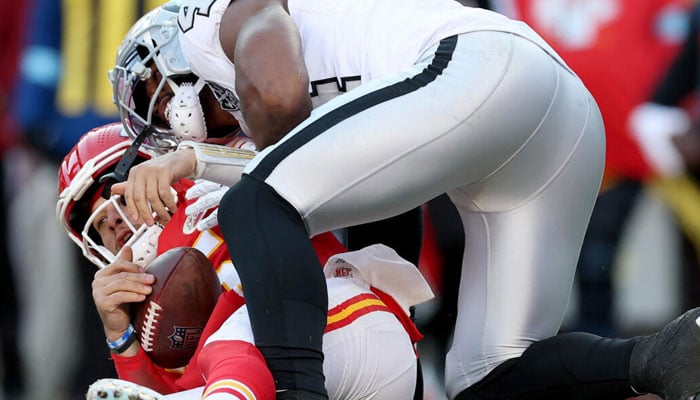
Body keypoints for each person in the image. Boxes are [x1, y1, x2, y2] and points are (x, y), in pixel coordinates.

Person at [110, 1, 700, 399]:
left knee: (257, 204)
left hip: (480, 69)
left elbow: (280, 97)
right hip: (555, 110)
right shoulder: (351, 71)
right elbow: (386, 237)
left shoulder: (210, 23)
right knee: (488, 380)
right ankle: (663, 356)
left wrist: (207, 161)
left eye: (159, 107)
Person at [57, 122, 432, 399]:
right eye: (102, 227)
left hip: (345, 327)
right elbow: (165, 392)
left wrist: (203, 164)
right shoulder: (144, 300)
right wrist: (121, 337)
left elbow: (307, 159)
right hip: (288, 382)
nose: (117, 227)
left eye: (120, 203)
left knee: (239, 333)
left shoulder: (215, 184)